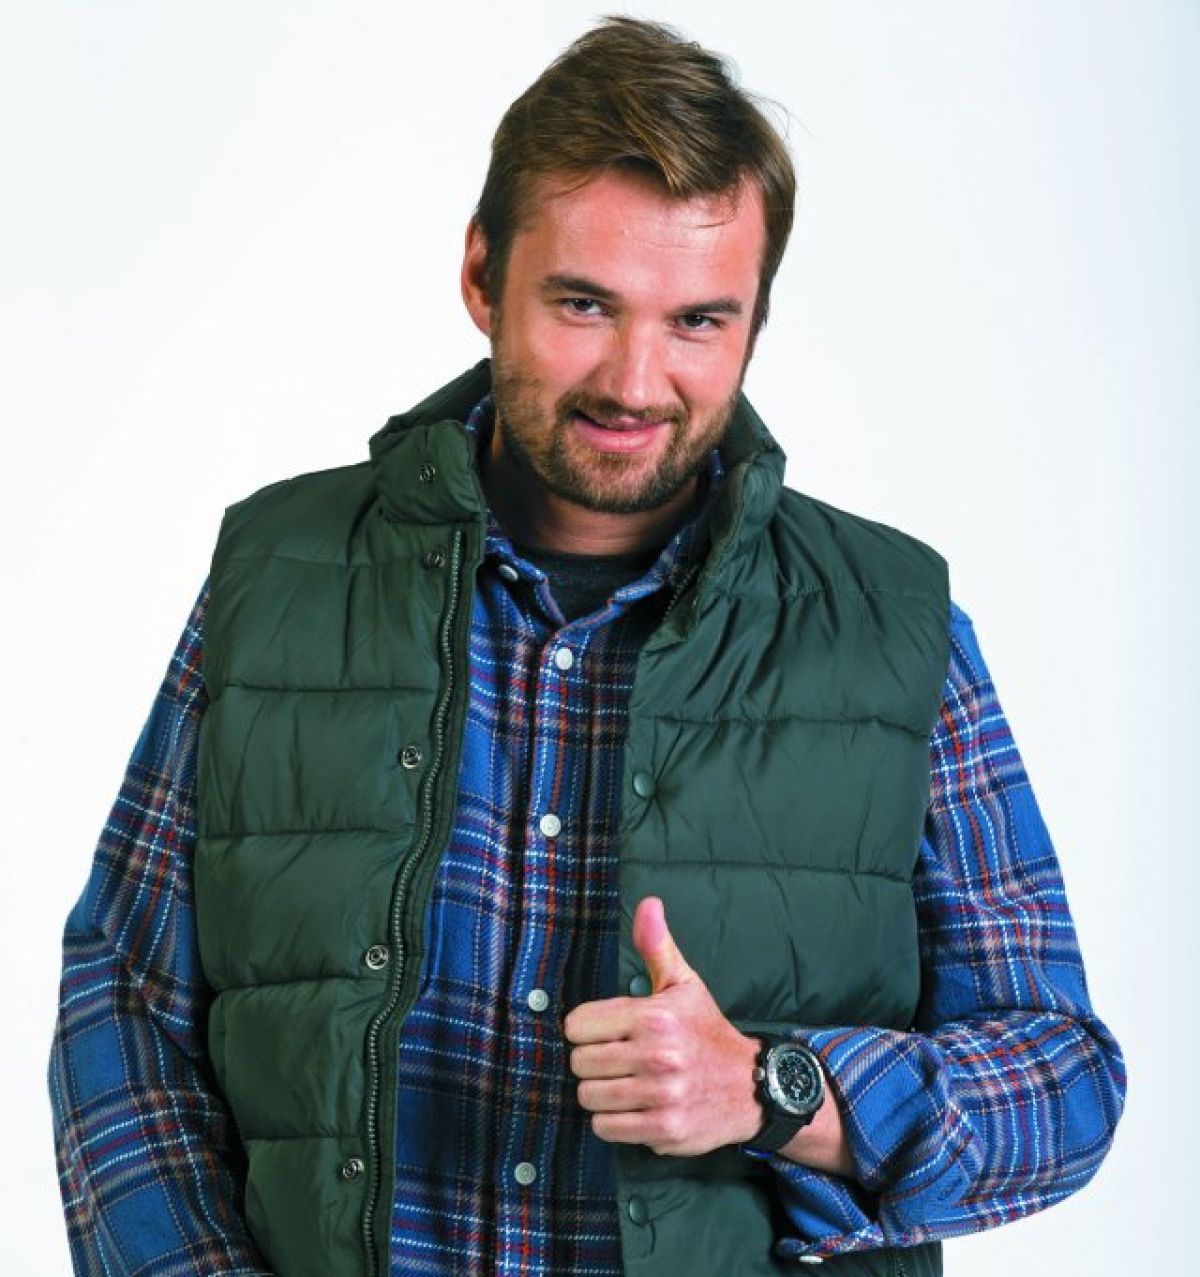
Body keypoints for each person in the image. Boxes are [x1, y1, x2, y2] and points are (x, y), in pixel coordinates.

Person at [49, 16, 1125, 1277]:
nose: (635, 379)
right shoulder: (279, 576)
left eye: (698, 321)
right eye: (583, 303)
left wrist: (777, 1087)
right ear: (480, 275)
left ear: (755, 321)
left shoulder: (889, 626)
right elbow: (124, 999)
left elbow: (1062, 1080)